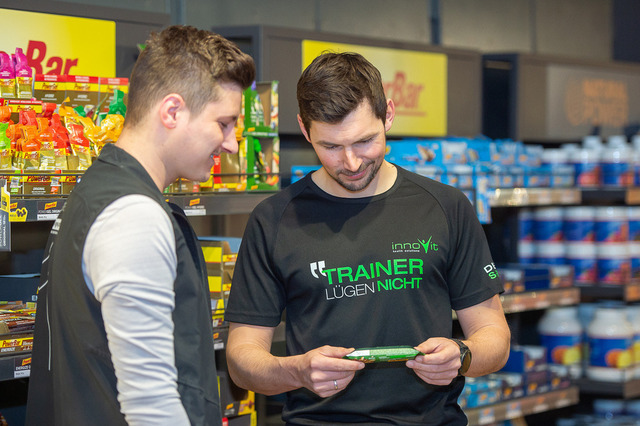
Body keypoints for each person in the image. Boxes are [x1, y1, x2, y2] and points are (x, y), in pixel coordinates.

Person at [224, 51, 510, 425]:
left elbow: (494, 337)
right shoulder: (274, 219)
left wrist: (463, 355)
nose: (352, 163)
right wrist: (297, 371)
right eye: (330, 147)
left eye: (364, 141)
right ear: (304, 130)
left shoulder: (446, 206)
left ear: (388, 114)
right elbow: (241, 359)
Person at [26, 25, 255, 425]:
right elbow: (152, 405)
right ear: (172, 112)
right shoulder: (134, 216)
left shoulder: (100, 189)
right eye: (224, 123)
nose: (232, 143)